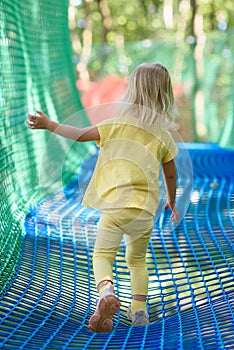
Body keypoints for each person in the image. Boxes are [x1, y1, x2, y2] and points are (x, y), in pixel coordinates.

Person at [26, 62, 179, 333]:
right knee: (137, 261)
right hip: (143, 211)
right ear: (163, 95)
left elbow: (80, 135)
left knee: (102, 256)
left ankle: (106, 291)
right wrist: (172, 201)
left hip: (115, 207)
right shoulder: (163, 135)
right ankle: (139, 311)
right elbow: (171, 173)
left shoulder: (115, 124)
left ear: (132, 91)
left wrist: (50, 125)